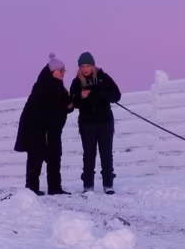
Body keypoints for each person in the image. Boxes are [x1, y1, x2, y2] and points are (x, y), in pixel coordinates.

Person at [13, 53, 72, 195]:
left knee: (54, 156)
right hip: (38, 129)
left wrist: (69, 106)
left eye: (64, 71)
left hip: (52, 129)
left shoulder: (59, 86)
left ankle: (55, 187)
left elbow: (61, 106)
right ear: (53, 71)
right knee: (36, 157)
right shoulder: (43, 86)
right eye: (61, 71)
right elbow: (41, 108)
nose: (63, 73)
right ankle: (32, 188)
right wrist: (63, 108)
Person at [69, 51, 122, 194]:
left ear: (93, 66)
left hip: (105, 121)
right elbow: (72, 103)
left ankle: (108, 184)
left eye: (88, 66)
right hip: (87, 123)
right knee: (89, 154)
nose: (85, 69)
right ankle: (88, 185)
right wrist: (80, 96)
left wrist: (103, 94)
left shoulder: (103, 78)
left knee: (106, 153)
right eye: (83, 66)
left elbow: (117, 95)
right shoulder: (76, 82)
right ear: (79, 68)